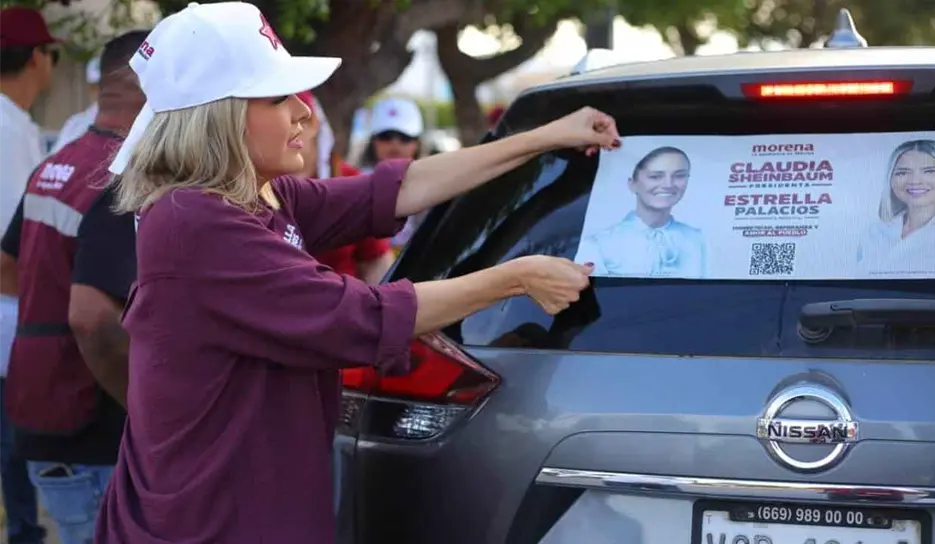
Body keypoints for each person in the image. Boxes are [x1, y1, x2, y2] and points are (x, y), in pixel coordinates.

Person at [92, 3, 619, 542]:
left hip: (244, 502)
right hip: (213, 518)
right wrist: (515, 277)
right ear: (218, 117)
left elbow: (395, 189)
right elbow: (359, 315)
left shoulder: (251, 198)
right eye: (279, 98)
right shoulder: (194, 221)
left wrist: (543, 138)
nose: (304, 112)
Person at [0, 30, 147, 544]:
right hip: (93, 435)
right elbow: (91, 317)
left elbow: (8, 264)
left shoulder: (58, 164)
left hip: (50, 416)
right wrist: (152, 412)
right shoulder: (119, 176)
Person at [0, 7, 60, 544]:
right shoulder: (5, 126)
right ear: (38, 57)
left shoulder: (15, 123)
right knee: (13, 452)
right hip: (9, 319)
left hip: (14, 316)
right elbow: (7, 249)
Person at [296, 90, 395, 283]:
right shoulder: (251, 188)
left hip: (342, 307)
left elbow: (377, 261)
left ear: (315, 124)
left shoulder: (349, 181)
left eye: (299, 120)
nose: (292, 130)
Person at [581, 146, 705, 278]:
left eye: (680, 176)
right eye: (655, 176)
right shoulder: (599, 244)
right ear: (632, 184)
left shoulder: (697, 240)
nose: (668, 184)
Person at [857, 139, 935, 275]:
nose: (915, 181)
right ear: (890, 180)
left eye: (930, 171)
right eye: (902, 173)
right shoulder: (873, 233)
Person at [361, 96, 426, 251]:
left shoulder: (435, 188)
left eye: (404, 137)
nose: (394, 144)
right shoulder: (354, 182)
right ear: (373, 141)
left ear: (417, 143)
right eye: (386, 136)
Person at [50, 55, 101, 153]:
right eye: (96, 86)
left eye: (105, 84)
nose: (101, 91)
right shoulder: (75, 123)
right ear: (90, 88)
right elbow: (55, 157)